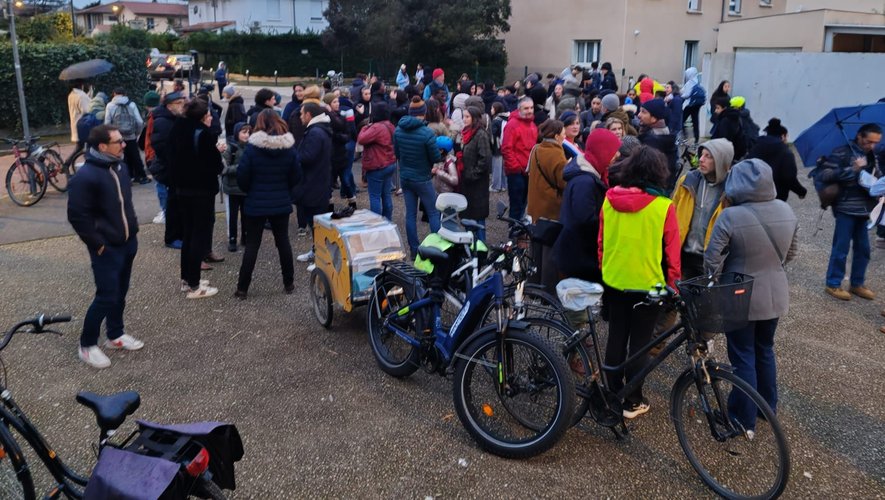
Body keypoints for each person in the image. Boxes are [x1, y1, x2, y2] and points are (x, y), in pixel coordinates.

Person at [704, 159, 799, 434]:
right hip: (775, 292)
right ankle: (766, 408)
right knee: (765, 350)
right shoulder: (786, 209)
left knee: (742, 355)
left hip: (739, 295)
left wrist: (719, 279)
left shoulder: (731, 216)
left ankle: (741, 417)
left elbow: (711, 259)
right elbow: (791, 254)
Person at [598, 146, 681, 419]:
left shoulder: (609, 200)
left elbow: (601, 242)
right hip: (649, 284)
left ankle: (612, 392)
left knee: (616, 338)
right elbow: (672, 253)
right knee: (640, 344)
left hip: (614, 279)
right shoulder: (664, 207)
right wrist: (674, 286)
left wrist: (605, 269)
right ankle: (632, 400)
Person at [67, 124, 144, 369]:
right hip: (106, 248)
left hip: (127, 243)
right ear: (102, 146)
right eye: (118, 141)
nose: (124, 144)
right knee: (106, 296)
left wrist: (132, 233)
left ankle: (115, 335)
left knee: (120, 293)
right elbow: (78, 216)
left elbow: (125, 205)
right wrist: (98, 245)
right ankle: (87, 345)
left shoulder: (120, 167)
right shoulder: (86, 176)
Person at [234, 110, 299, 299]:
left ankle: (242, 288)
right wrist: (285, 189)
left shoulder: (252, 149)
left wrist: (250, 191)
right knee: (283, 242)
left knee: (252, 245)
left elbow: (242, 176)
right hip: (280, 201)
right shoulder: (289, 148)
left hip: (255, 202)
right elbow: (296, 175)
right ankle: (289, 283)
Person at [819, 123, 882, 301]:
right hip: (846, 208)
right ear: (860, 136)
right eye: (869, 141)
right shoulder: (842, 152)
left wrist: (877, 181)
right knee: (841, 248)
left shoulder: (872, 156)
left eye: (876, 142)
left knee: (863, 249)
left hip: (865, 210)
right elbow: (825, 175)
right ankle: (833, 283)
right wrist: (852, 169)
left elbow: (877, 174)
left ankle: (857, 283)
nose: (872, 145)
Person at [169, 98, 224, 299]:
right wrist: (217, 153)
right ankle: (194, 285)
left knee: (189, 235)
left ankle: (187, 279)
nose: (210, 118)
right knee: (198, 237)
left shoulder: (178, 127)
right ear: (202, 117)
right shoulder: (203, 134)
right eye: (208, 115)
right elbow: (214, 166)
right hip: (200, 191)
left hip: (181, 189)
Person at [554, 128, 620, 284]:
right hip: (580, 257)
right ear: (602, 151)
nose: (617, 155)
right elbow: (584, 220)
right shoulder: (585, 182)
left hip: (578, 253)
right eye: (613, 151)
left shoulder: (589, 175)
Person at [671, 138, 735, 279]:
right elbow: (672, 213)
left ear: (721, 161)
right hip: (683, 255)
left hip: (709, 260)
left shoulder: (731, 191)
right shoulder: (687, 181)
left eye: (708, 156)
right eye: (701, 155)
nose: (700, 159)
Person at [394, 97, 442, 257]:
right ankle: (436, 249)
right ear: (423, 113)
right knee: (434, 212)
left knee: (410, 214)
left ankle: (414, 250)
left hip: (406, 177)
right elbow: (435, 157)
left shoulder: (398, 130)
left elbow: (397, 154)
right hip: (422, 177)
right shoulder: (427, 133)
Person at [527, 119, 568, 292]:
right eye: (563, 134)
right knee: (549, 250)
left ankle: (533, 283)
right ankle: (547, 288)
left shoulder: (537, 148)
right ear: (557, 135)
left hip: (536, 205)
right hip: (551, 207)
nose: (564, 137)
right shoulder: (556, 154)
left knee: (536, 247)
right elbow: (563, 182)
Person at [294, 102, 334, 265]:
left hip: (314, 183)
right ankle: (316, 251)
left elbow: (308, 157)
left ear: (309, 115)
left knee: (316, 223)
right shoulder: (318, 130)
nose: (300, 117)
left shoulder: (316, 133)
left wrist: (294, 156)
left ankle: (322, 258)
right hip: (316, 182)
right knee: (315, 223)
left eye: (302, 114)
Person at [149, 92, 186, 249]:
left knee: (178, 203)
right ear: (169, 105)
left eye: (183, 102)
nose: (182, 105)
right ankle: (172, 237)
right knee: (173, 204)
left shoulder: (174, 118)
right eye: (179, 103)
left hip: (175, 168)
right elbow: (162, 147)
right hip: (170, 169)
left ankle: (178, 234)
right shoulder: (163, 122)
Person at [747, 118, 806, 202]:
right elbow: (789, 177)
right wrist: (801, 191)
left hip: (754, 193)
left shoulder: (756, 146)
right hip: (776, 196)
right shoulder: (785, 152)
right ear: (783, 136)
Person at [358, 102, 397, 219]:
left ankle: (377, 224)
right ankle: (387, 222)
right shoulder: (390, 125)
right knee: (386, 195)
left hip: (377, 166)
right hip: (389, 163)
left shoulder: (376, 127)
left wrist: (365, 126)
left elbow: (361, 139)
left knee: (375, 196)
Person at [501, 97, 538, 222]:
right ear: (519, 109)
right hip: (516, 172)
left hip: (528, 171)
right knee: (516, 207)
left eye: (531, 108)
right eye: (526, 108)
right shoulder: (512, 125)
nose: (529, 111)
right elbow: (506, 148)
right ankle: (513, 235)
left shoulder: (532, 125)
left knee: (523, 204)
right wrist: (516, 168)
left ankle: (519, 234)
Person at [459, 106, 492, 242]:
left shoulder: (480, 134)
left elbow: (485, 159)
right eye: (464, 116)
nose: (464, 119)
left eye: (467, 117)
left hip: (477, 183)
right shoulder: (466, 133)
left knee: (478, 217)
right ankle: (470, 247)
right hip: (467, 183)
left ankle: (480, 249)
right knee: (468, 216)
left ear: (474, 118)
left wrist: (472, 174)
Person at [105, 88, 149, 184]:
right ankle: (141, 177)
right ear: (125, 94)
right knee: (135, 155)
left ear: (114, 94)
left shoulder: (110, 105)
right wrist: (136, 133)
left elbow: (107, 123)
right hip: (131, 135)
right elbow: (139, 121)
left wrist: (112, 135)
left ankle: (125, 178)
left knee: (120, 156)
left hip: (117, 137)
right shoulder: (131, 104)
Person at [637, 98, 678, 191]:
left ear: (654, 118)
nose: (639, 115)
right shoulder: (663, 133)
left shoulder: (653, 141)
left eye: (643, 112)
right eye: (640, 111)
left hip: (652, 189)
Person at [222, 122, 250, 252]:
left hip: (245, 188)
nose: (247, 135)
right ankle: (232, 239)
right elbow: (223, 169)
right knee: (232, 216)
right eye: (244, 132)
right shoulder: (230, 148)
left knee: (246, 215)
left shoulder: (251, 147)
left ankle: (245, 237)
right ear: (237, 133)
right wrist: (239, 168)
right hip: (232, 188)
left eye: (249, 132)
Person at [710, 96, 746, 161]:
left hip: (726, 156)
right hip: (733, 154)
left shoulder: (726, 121)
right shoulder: (734, 117)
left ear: (725, 108)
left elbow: (723, 141)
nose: (715, 111)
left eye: (718, 108)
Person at [67, 81, 91, 162]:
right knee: (90, 146)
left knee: (79, 147)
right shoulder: (81, 95)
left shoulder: (71, 94)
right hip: (83, 126)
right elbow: (86, 111)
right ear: (82, 84)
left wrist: (88, 95)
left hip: (76, 124)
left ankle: (67, 163)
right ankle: (89, 165)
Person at [680, 67, 706, 144]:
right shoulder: (698, 82)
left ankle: (684, 135)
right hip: (697, 105)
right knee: (695, 121)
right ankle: (696, 139)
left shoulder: (689, 83)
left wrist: (681, 96)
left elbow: (686, 94)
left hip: (689, 104)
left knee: (682, 120)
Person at [489, 102, 509, 192]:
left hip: (497, 146)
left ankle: (496, 186)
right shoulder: (506, 118)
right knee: (503, 168)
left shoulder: (496, 120)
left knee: (496, 167)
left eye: (492, 108)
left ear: (496, 110)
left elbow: (493, 134)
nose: (491, 110)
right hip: (505, 145)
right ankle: (504, 185)